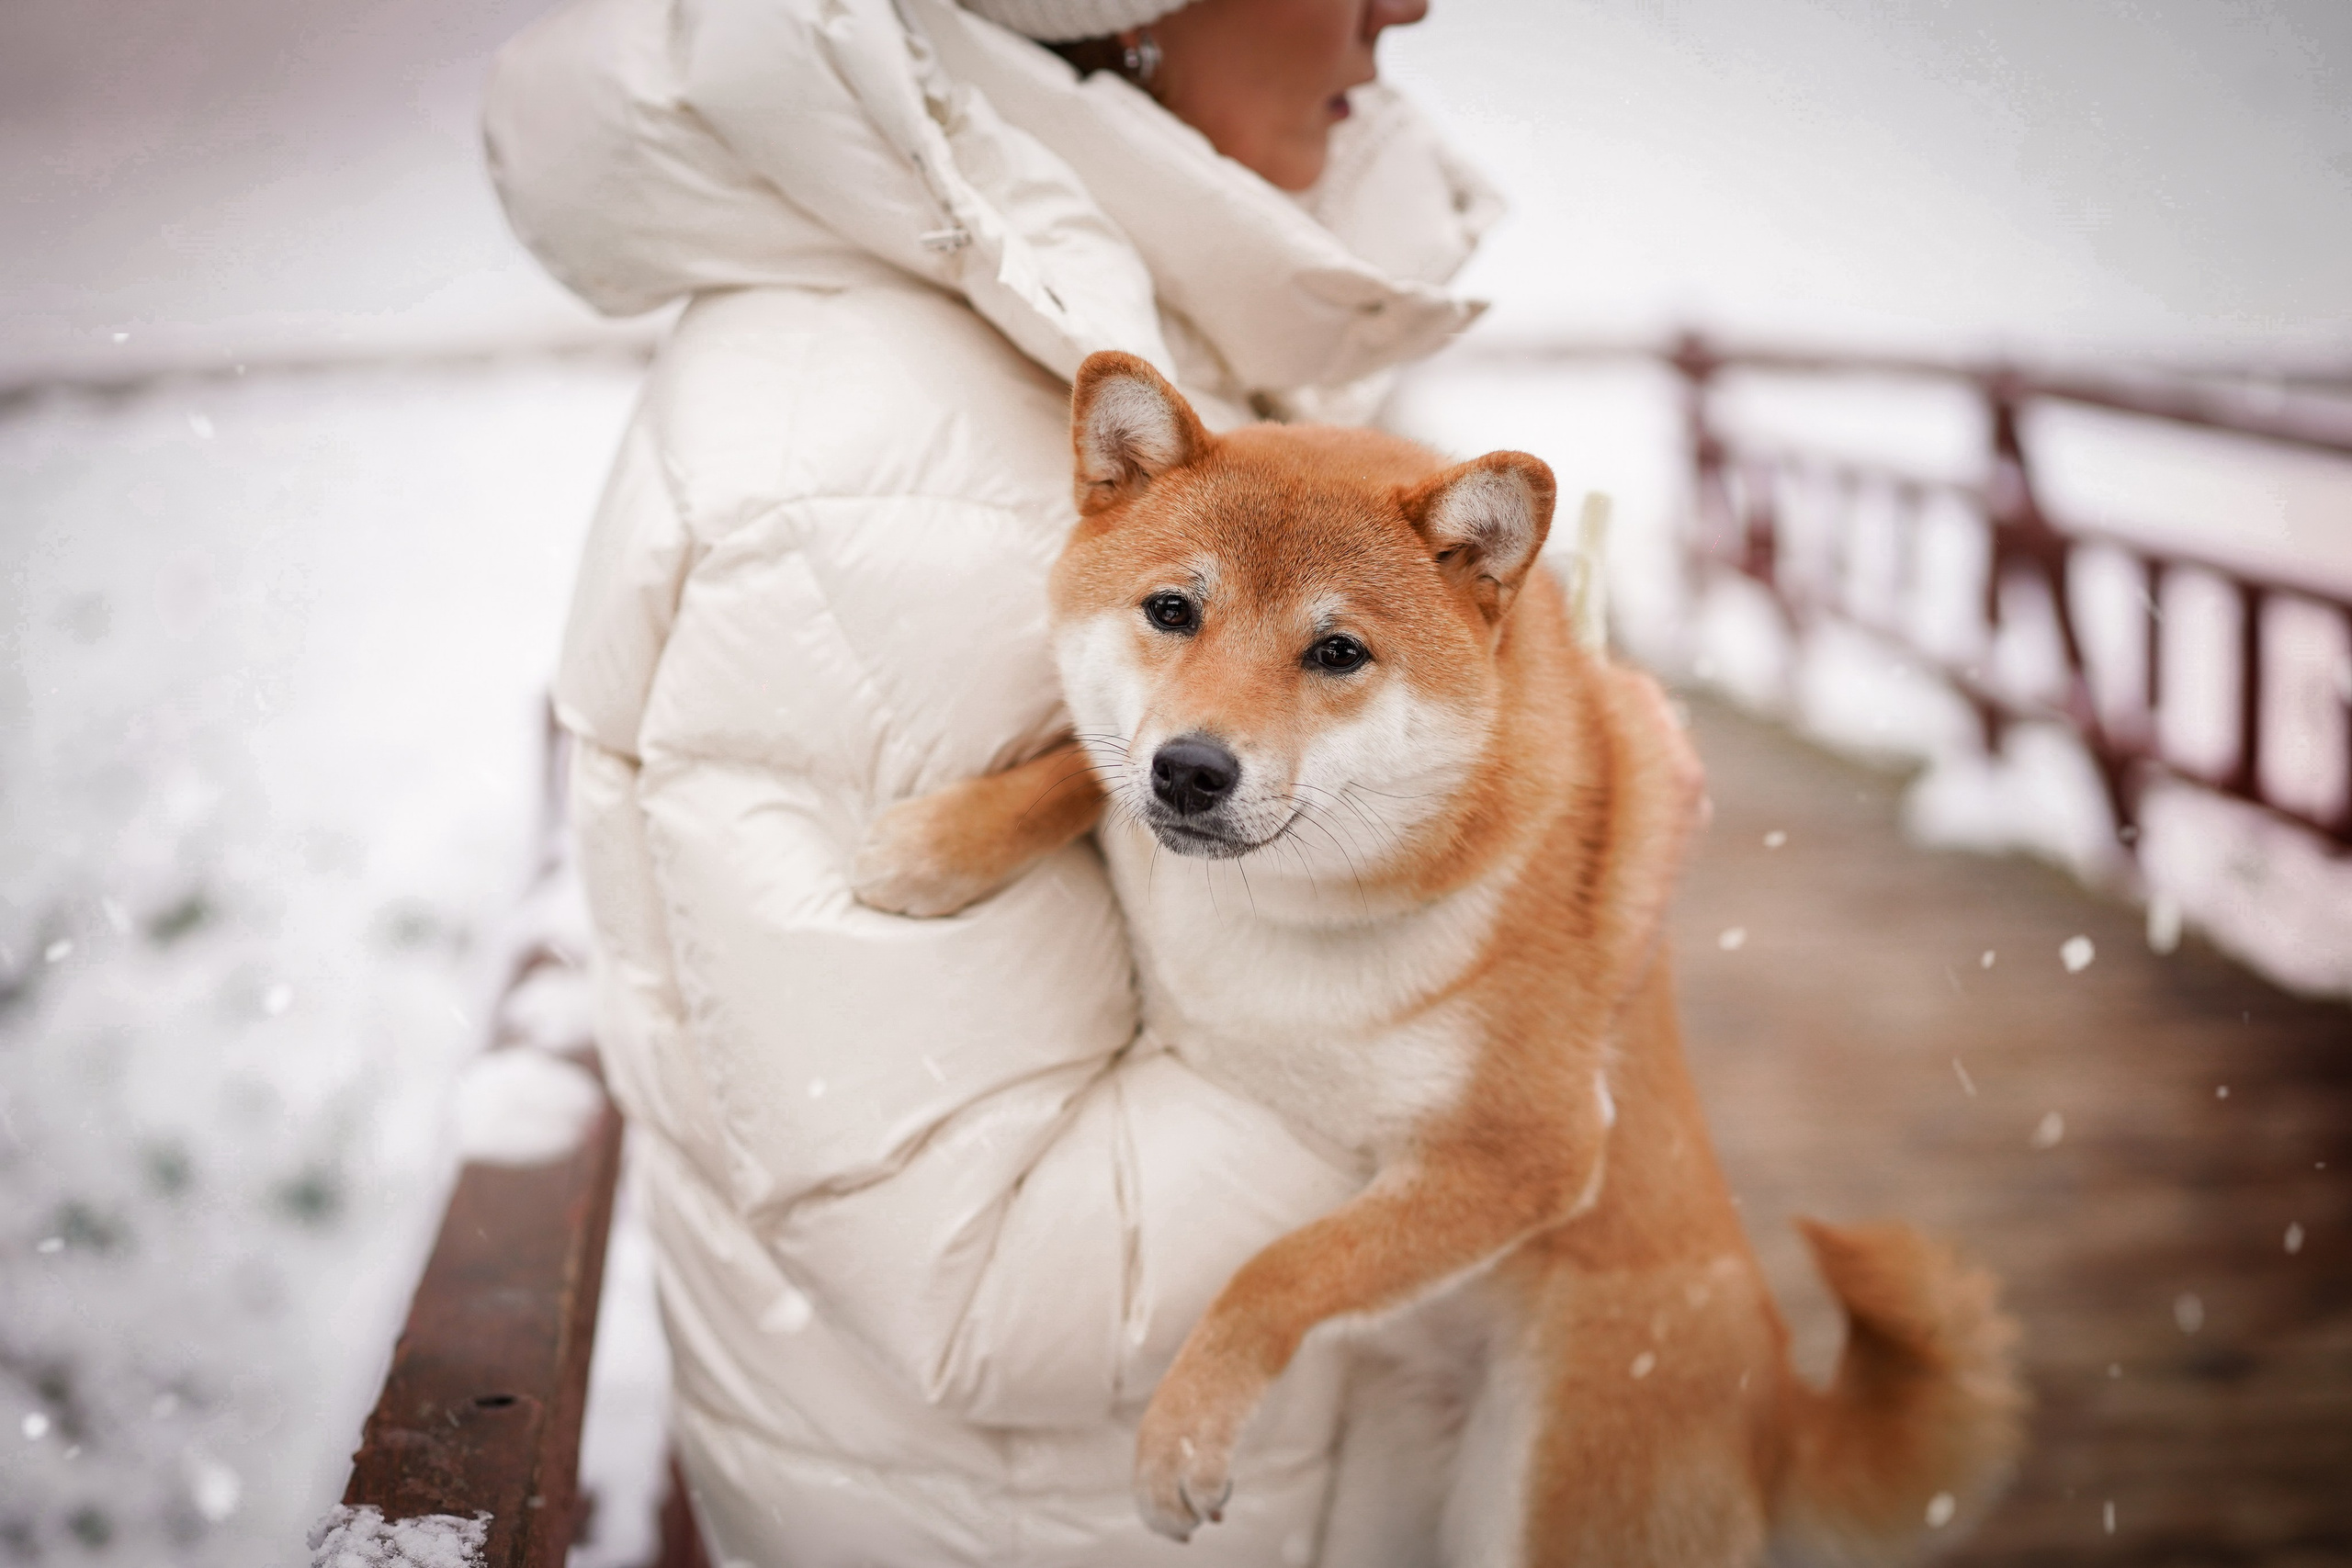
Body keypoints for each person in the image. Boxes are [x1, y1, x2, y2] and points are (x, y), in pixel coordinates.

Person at [484, 0, 1498, 1561]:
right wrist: (1500, 993)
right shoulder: (865, 457)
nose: (1411, 7)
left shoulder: (1105, 358)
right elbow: (1001, 1287)